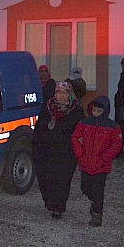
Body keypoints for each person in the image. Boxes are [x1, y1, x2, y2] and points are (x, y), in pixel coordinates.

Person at [33, 81, 85, 219]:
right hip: (46, 150)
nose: (61, 96)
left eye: (65, 93)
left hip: (66, 153)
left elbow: (79, 133)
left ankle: (58, 207)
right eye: (59, 92)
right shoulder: (48, 107)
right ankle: (50, 203)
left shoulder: (76, 111)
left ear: (70, 95)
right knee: (46, 178)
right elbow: (39, 127)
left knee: (61, 180)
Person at [72, 96, 123, 227]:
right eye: (94, 110)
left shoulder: (112, 126)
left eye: (99, 111)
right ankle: (93, 203)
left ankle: (97, 215)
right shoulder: (84, 123)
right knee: (85, 187)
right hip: (86, 162)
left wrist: (104, 158)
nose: (95, 113)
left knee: (98, 191)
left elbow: (116, 145)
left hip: (101, 165)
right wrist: (80, 156)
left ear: (105, 111)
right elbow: (76, 139)